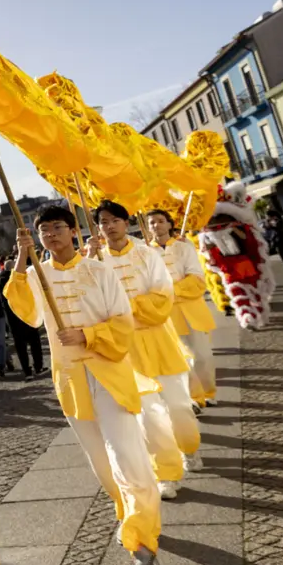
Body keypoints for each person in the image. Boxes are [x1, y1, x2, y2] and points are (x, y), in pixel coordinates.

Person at [3, 208, 162, 565]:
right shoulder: (34, 275)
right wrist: (22, 255)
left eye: (58, 227)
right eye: (44, 230)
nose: (52, 234)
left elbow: (122, 325)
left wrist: (88, 335)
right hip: (71, 383)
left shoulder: (99, 270)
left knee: (129, 459)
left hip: (108, 375)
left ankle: (144, 544)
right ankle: (131, 516)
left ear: (73, 231)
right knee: (102, 465)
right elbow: (26, 312)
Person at [94, 200, 202, 499]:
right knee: (150, 414)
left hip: (159, 339)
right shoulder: (95, 261)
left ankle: (189, 448)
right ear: (98, 227)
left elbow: (163, 296)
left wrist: (129, 308)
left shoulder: (147, 253)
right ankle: (166, 473)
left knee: (179, 406)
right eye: (104, 221)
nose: (110, 226)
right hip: (126, 348)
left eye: (115, 219)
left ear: (125, 222)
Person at [147, 209, 220, 408]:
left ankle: (208, 392)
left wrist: (169, 291)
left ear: (170, 224)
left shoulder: (184, 247)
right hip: (165, 314)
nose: (156, 225)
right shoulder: (145, 253)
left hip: (192, 310)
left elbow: (196, 279)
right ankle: (193, 399)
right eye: (152, 222)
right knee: (181, 359)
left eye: (161, 221)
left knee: (203, 356)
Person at [198, 184, 276, 331]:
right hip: (228, 265)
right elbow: (209, 250)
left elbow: (247, 240)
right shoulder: (209, 234)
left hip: (244, 262)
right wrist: (208, 246)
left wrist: (233, 229)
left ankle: (258, 313)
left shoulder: (240, 228)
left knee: (253, 289)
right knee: (236, 291)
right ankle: (246, 316)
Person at [0, 256, 45, 379]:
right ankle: (38, 366)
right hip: (26, 314)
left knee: (21, 347)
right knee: (34, 342)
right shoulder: (15, 279)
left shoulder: (0, 281)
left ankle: (27, 371)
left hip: (13, 319)